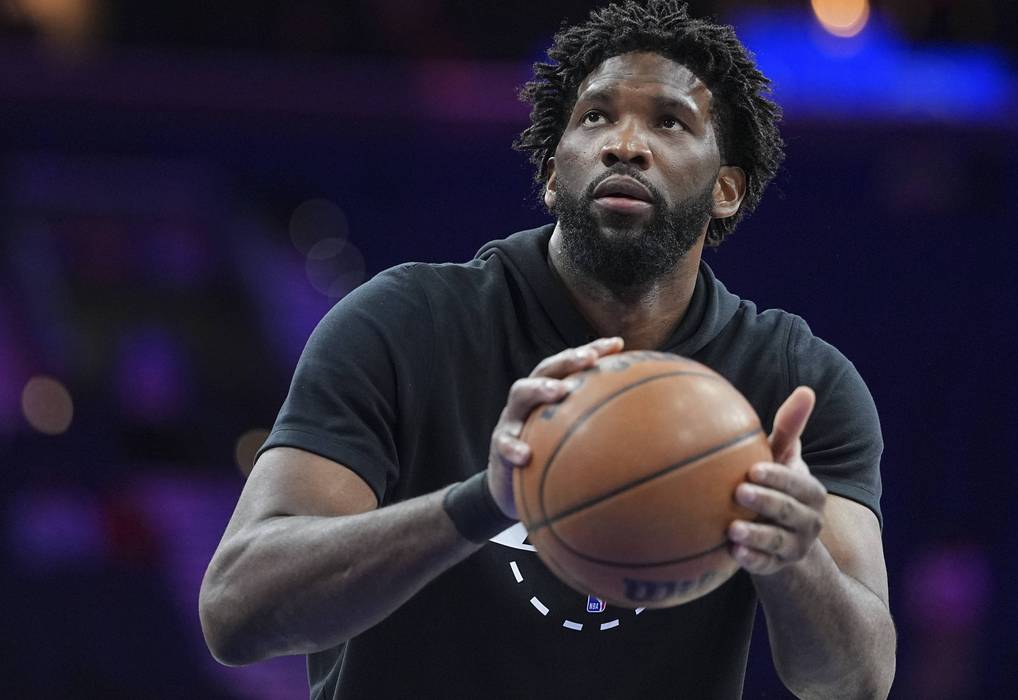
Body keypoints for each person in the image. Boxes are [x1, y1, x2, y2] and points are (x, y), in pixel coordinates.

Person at [198, 1, 895, 697]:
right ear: (553, 173)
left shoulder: (795, 383)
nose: (624, 144)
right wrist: (481, 502)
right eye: (595, 116)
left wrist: (791, 557)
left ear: (726, 190)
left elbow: (857, 684)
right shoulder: (403, 325)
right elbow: (236, 612)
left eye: (669, 121)